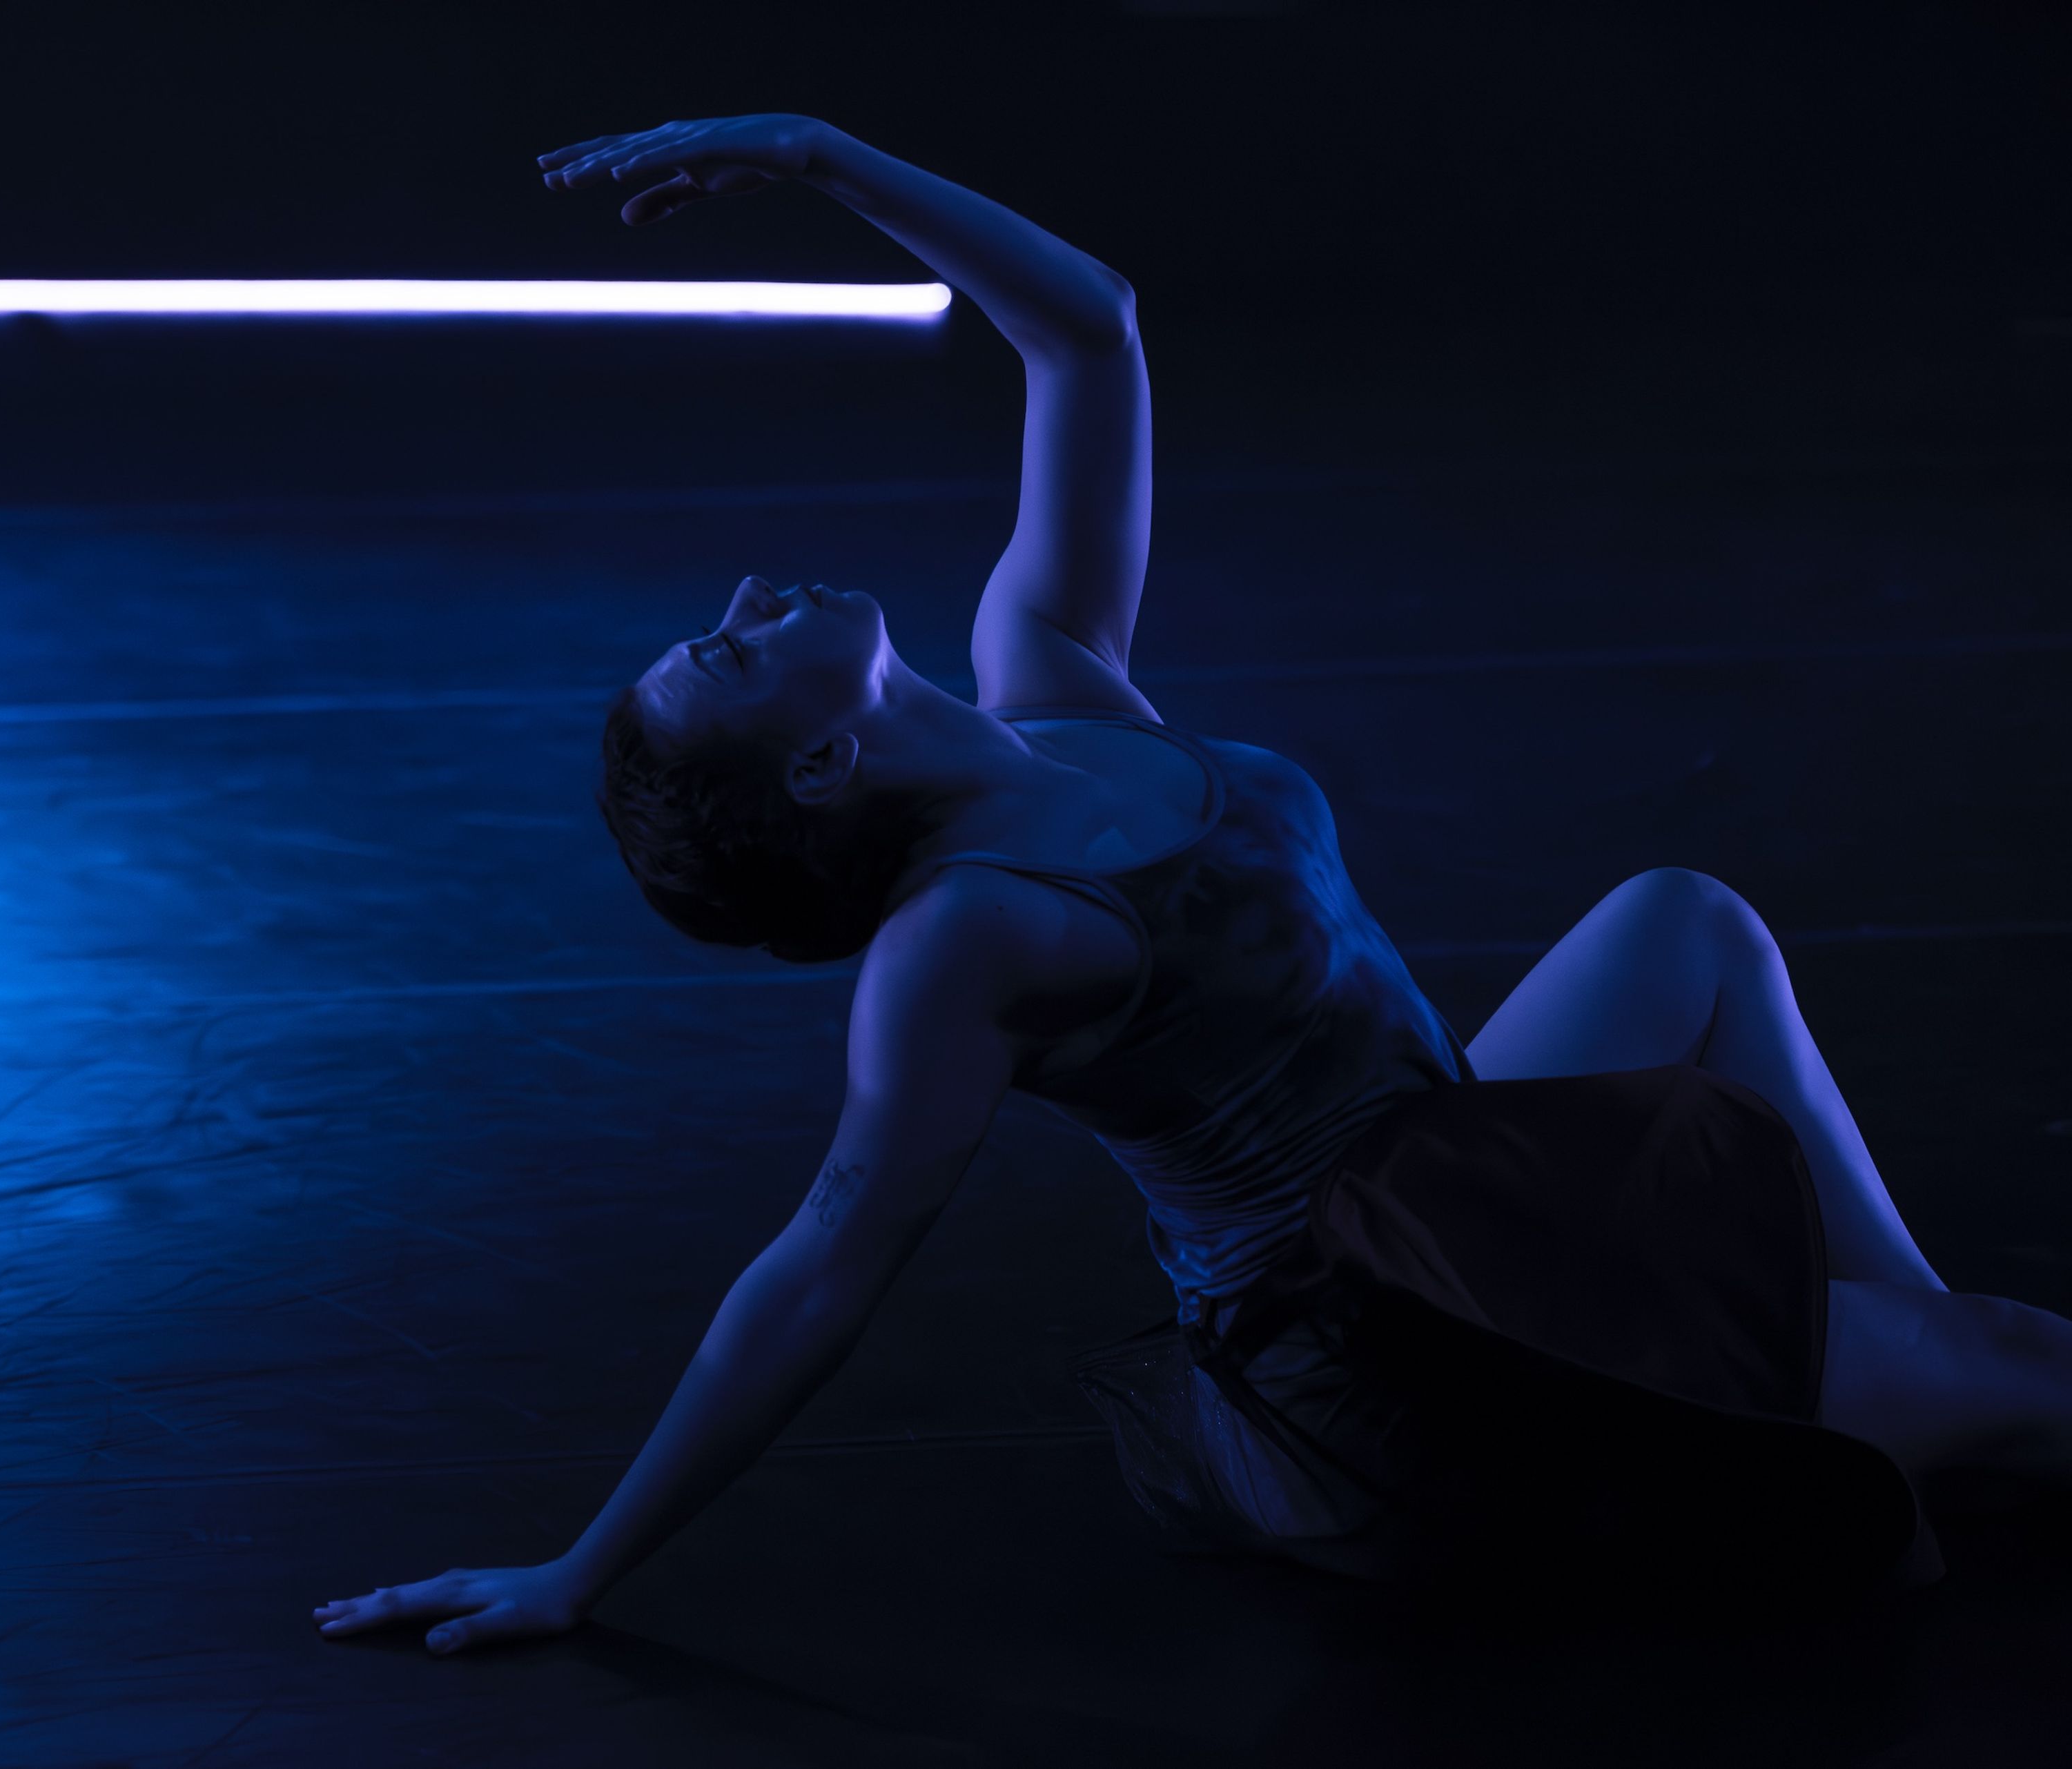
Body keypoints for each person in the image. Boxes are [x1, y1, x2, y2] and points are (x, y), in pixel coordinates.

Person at [315, 115, 2072, 1652]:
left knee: (1685, 919)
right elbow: (820, 1270)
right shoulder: (971, 936)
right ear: (822, 766)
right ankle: (1925, 1379)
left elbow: (1086, 330)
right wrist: (579, 1565)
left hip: (1456, 1164)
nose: (757, 585)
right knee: (2018, 1371)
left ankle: (1901, 1343)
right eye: (727, 644)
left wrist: (818, 157)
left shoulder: (1058, 676)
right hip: (1409, 1344)